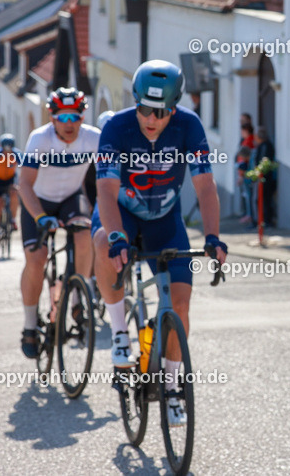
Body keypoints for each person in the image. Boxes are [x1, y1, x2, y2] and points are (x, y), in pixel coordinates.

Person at [93, 59, 227, 427]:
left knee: (180, 308)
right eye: (144, 109)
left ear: (175, 107)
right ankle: (119, 331)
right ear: (134, 101)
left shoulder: (189, 125)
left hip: (166, 220)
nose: (151, 119)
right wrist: (118, 235)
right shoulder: (117, 128)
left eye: (162, 111)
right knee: (104, 241)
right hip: (123, 214)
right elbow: (105, 189)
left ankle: (170, 387)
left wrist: (213, 236)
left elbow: (204, 185)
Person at [17, 87, 99, 359]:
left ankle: (78, 298)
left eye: (74, 117)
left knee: (85, 234)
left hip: (71, 198)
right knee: (37, 258)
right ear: (52, 118)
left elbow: (112, 176)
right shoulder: (40, 139)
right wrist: (40, 217)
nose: (69, 124)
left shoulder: (93, 138)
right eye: (62, 118)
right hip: (38, 201)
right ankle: (30, 324)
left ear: (82, 117)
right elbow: (25, 185)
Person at [0, 133, 20, 245]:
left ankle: (13, 220)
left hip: (11, 179)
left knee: (14, 195)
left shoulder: (16, 154)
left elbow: (24, 168)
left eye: (9, 148)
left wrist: (19, 184)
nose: (7, 151)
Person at [251, 126, 277, 227]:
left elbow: (263, 162)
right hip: (264, 178)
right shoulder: (262, 146)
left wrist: (258, 173)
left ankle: (265, 221)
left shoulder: (265, 146)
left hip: (265, 178)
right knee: (263, 200)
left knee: (264, 200)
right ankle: (262, 221)